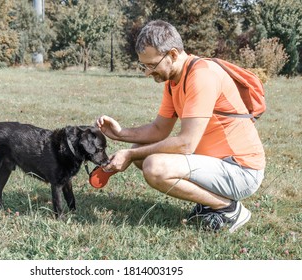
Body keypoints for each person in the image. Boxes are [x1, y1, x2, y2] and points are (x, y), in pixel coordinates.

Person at [96, 20, 265, 233]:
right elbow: (159, 129)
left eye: (152, 65)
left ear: (173, 55)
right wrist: (121, 134)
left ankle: (228, 208)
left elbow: (186, 144)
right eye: (144, 65)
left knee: (154, 167)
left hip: (241, 170)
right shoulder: (174, 81)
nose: (147, 72)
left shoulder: (202, 75)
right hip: (218, 164)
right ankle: (210, 202)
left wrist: (129, 155)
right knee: (139, 150)